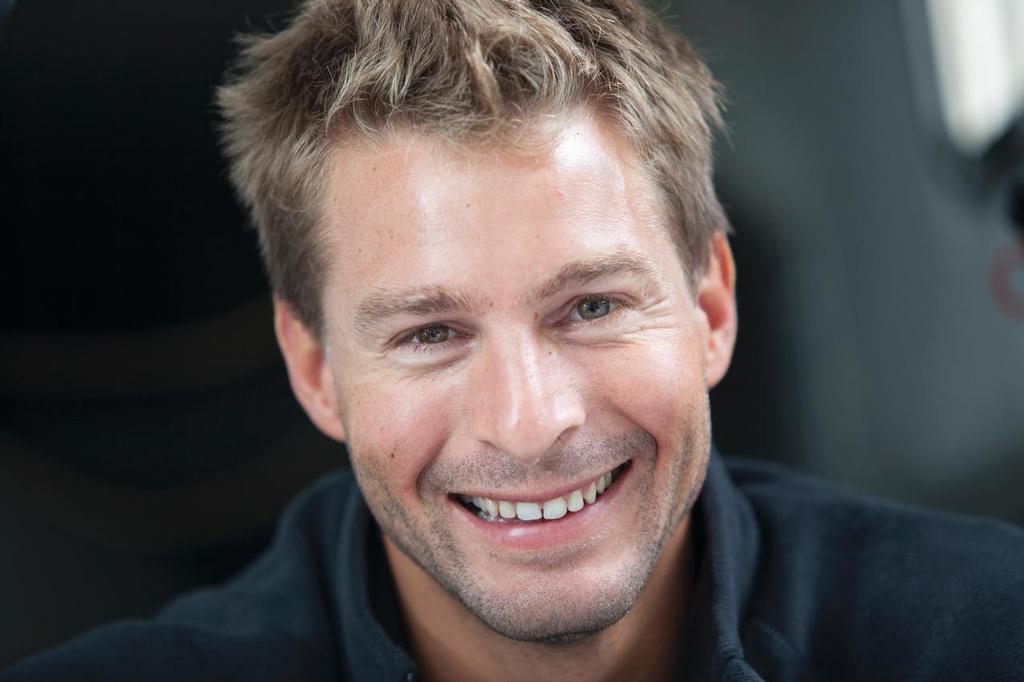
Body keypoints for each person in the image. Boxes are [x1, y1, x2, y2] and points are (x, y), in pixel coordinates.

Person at [4, 1, 1023, 680]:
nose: (530, 424)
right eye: (431, 331)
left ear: (710, 306)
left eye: (590, 307)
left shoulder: (986, 633)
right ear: (315, 369)